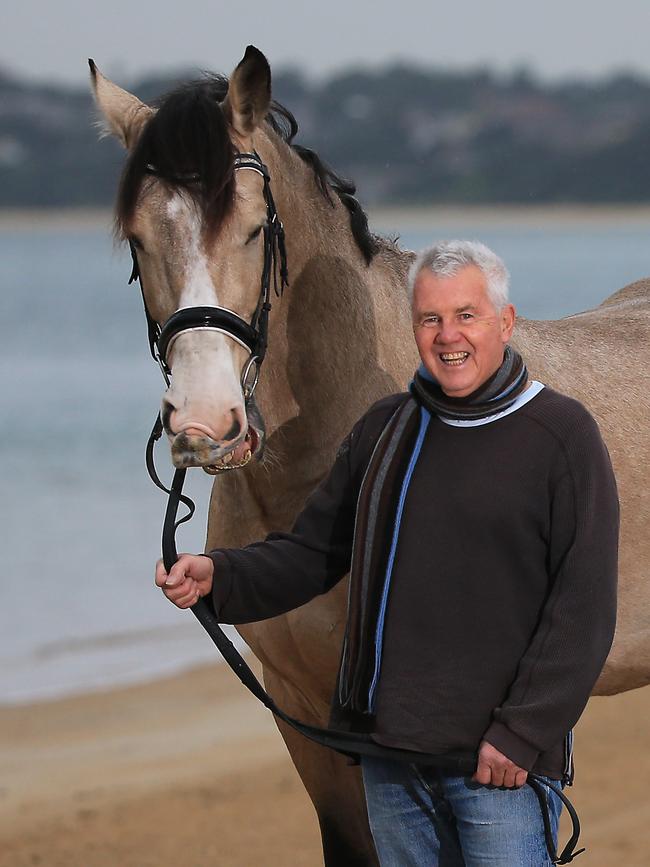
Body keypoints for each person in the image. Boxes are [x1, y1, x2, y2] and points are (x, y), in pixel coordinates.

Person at [155, 240, 619, 866]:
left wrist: (522, 735)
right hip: (391, 767)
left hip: (497, 769)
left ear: (505, 323)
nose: (447, 336)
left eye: (466, 315)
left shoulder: (562, 436)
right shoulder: (386, 428)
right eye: (430, 319)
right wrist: (219, 576)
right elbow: (312, 553)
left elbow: (583, 608)